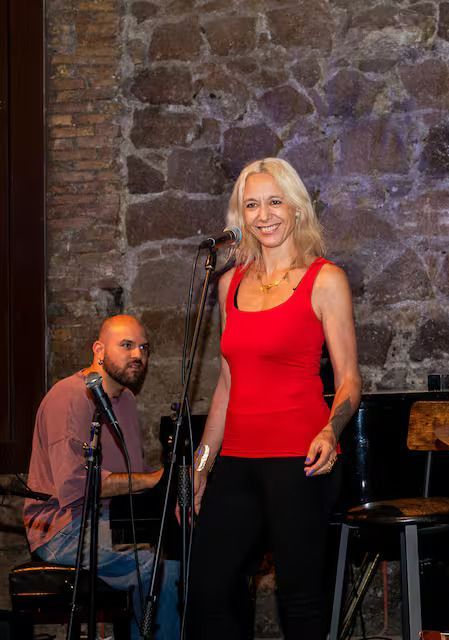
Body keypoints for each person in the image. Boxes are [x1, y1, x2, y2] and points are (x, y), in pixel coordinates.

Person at [187, 157, 361, 638]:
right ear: (239, 216)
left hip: (299, 459)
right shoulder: (228, 284)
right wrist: (202, 463)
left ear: (296, 208)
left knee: (300, 599)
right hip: (237, 460)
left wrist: (330, 430)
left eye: (275, 202)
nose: (263, 215)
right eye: (252, 205)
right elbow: (227, 382)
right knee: (207, 589)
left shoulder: (325, 279)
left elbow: (349, 378)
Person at [23, 314, 180, 639]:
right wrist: (155, 478)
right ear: (98, 350)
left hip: (110, 523)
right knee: (156, 568)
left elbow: (129, 486)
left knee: (178, 559)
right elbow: (76, 485)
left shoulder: (126, 401)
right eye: (127, 345)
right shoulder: (69, 397)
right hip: (62, 528)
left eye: (144, 348)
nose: (138, 355)